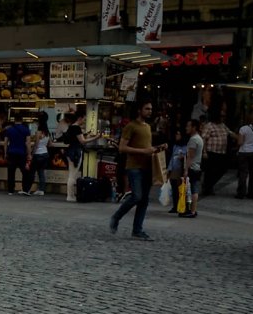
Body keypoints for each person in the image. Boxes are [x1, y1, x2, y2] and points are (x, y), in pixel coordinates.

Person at [110, 100, 167, 241]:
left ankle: (137, 230)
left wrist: (157, 148)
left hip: (147, 167)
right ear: (139, 110)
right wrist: (143, 151)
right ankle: (117, 216)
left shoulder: (147, 127)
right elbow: (122, 148)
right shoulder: (130, 126)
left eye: (151, 109)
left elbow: (147, 147)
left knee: (144, 200)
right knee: (137, 196)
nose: (150, 111)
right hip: (134, 166)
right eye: (147, 108)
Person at [62, 111, 101, 202]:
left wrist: (86, 135)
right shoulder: (76, 128)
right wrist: (96, 137)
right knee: (72, 175)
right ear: (79, 118)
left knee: (71, 174)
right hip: (75, 152)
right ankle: (70, 196)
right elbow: (82, 141)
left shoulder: (71, 127)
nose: (84, 120)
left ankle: (70, 195)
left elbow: (75, 139)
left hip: (70, 151)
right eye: (84, 118)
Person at [201, 109, 235, 195]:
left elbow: (230, 133)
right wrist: (204, 152)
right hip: (211, 152)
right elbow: (204, 139)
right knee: (210, 171)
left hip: (221, 152)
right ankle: (207, 188)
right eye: (222, 116)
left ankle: (208, 185)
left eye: (224, 116)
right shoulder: (209, 126)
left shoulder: (223, 125)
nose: (223, 118)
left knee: (222, 169)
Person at [235, 111, 253, 199]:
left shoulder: (243, 129)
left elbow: (240, 142)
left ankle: (241, 193)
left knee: (243, 173)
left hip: (244, 152)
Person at [3, 113, 32, 195]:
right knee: (25, 172)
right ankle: (25, 189)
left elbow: (5, 143)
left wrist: (5, 153)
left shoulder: (9, 130)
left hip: (11, 152)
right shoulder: (26, 130)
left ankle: (10, 190)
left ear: (14, 120)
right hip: (22, 153)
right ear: (22, 120)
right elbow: (28, 143)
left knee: (11, 172)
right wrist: (29, 153)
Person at [182, 119, 204, 217]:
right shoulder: (199, 138)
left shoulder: (193, 139)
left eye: (188, 126)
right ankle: (192, 209)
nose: (186, 128)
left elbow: (190, 156)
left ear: (194, 127)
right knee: (193, 189)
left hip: (192, 167)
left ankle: (192, 211)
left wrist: (186, 169)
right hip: (197, 166)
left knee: (192, 189)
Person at [24, 120, 52, 196]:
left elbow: (36, 144)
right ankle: (41, 190)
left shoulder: (38, 133)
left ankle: (28, 189)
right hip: (45, 154)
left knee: (32, 172)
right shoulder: (47, 133)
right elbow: (50, 144)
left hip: (38, 154)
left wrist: (32, 153)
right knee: (41, 172)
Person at [166, 130, 186, 215]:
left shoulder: (185, 146)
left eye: (178, 134)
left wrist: (183, 157)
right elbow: (172, 157)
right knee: (174, 188)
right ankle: (175, 206)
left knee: (179, 188)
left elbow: (186, 157)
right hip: (173, 168)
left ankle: (179, 206)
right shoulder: (175, 145)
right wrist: (169, 169)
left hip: (180, 169)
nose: (176, 136)